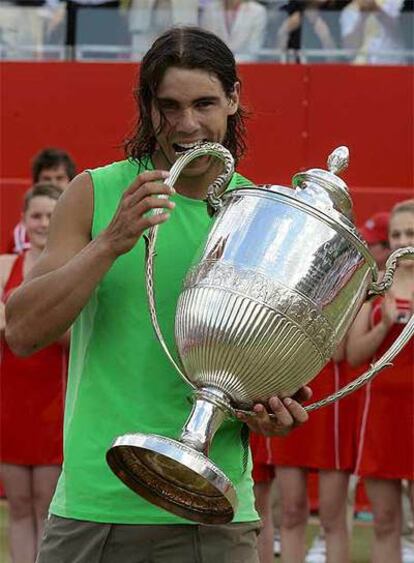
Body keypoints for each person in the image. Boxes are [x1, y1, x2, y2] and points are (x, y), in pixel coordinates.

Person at [5, 27, 311, 563]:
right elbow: (24, 331)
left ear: (234, 99)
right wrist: (113, 240)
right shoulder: (97, 193)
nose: (186, 124)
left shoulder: (262, 215)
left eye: (204, 103)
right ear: (146, 107)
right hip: (96, 510)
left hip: (213, 514)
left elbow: (266, 387)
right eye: (168, 106)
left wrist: (270, 415)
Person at [0, 182, 67, 563]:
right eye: (37, 216)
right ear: (24, 221)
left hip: (53, 401)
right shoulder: (6, 265)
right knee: (18, 504)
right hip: (11, 399)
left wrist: (26, 323)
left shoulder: (67, 268)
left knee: (46, 504)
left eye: (52, 216)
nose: (44, 223)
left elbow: (73, 337)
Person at [346, 199, 414, 563]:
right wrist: (385, 324)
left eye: (411, 234)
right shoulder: (376, 285)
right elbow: (354, 354)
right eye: (396, 235)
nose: (404, 241)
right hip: (381, 414)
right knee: (385, 521)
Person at [269, 345, 354, 563]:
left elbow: (341, 352)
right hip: (290, 397)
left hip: (331, 404)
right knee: (291, 510)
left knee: (332, 516)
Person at [10, 147, 76, 254]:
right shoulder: (23, 233)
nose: (53, 184)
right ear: (36, 182)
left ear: (71, 182)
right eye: (46, 179)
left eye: (59, 178)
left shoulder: (85, 219)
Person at [200, 0, 267, 60]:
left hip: (244, 65)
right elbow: (206, 44)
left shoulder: (258, 11)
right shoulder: (210, 9)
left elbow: (253, 49)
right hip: (214, 65)